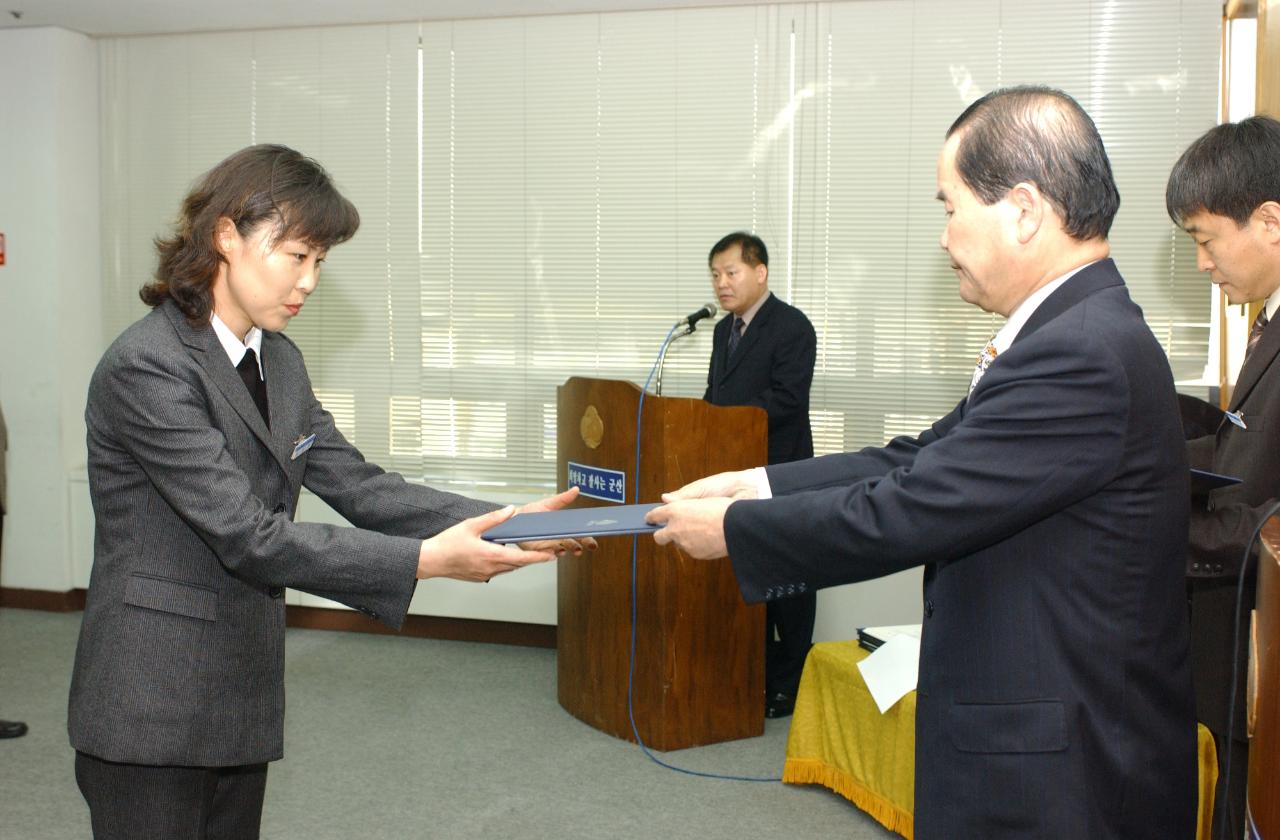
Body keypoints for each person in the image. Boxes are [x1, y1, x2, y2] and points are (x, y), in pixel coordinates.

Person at [648, 87, 1197, 839]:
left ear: (1025, 210)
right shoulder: (1071, 331)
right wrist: (762, 481)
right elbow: (920, 457)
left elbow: (910, 506)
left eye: (949, 207)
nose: (943, 239)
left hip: (1061, 774)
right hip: (1038, 738)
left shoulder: (1081, 352)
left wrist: (739, 527)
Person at [68, 144, 584, 839]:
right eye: (297, 256)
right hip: (150, 700)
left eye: (320, 263)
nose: (308, 282)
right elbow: (246, 533)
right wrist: (427, 562)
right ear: (226, 235)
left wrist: (507, 522)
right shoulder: (148, 367)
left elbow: (359, 484)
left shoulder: (279, 360)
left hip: (238, 691)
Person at [1165, 114, 1280, 840]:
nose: (1203, 263)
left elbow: (1266, 522)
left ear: (1268, 220)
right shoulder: (1267, 321)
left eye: (1207, 240)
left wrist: (1136, 522)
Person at [703, 231, 816, 718]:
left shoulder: (792, 327)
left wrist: (725, 423)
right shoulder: (721, 330)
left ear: (760, 272)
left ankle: (787, 683)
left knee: (788, 580)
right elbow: (715, 393)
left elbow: (787, 401)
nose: (722, 284)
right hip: (731, 469)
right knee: (747, 574)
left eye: (731, 273)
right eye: (715, 275)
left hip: (779, 469)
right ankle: (754, 670)